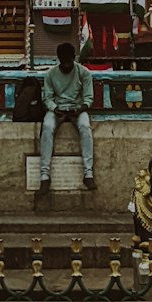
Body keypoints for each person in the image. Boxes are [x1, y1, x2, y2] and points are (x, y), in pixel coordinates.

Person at [39, 42, 95, 194]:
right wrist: (55, 109)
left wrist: (80, 109)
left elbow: (89, 98)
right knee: (47, 127)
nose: (66, 66)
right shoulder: (50, 74)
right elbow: (47, 98)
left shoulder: (84, 73)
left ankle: (88, 173)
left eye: (68, 62)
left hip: (77, 109)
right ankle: (44, 175)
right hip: (57, 109)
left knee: (85, 127)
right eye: (63, 62)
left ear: (73, 58)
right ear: (58, 60)